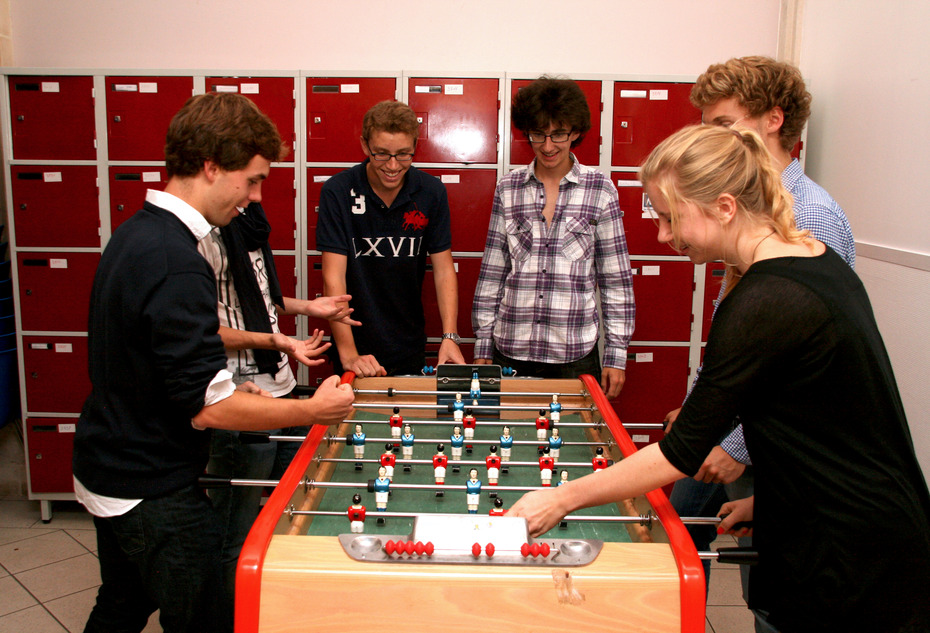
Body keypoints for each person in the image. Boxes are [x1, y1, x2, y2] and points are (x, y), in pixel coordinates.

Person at [508, 124, 930, 633]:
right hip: (861, 525)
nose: (664, 236)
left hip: (852, 554)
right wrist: (770, 500)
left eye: (669, 218)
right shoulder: (810, 260)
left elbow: (681, 450)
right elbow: (828, 421)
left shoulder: (764, 300)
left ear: (725, 207)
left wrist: (561, 497)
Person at [72, 92, 355, 633]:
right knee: (206, 613)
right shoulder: (176, 261)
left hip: (108, 463)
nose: (252, 197)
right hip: (147, 483)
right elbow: (212, 407)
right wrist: (313, 410)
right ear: (209, 166)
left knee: (123, 603)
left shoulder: (139, 233)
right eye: (250, 180)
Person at [667, 56, 858, 604]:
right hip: (731, 424)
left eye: (724, 125)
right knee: (684, 545)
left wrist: (737, 444)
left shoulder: (810, 215)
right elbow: (744, 334)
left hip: (765, 443)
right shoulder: (748, 203)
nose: (711, 140)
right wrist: (704, 403)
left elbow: (809, 371)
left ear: (774, 120)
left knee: (773, 592)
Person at [198, 200, 361, 603]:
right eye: (251, 180)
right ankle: (225, 616)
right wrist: (274, 340)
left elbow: (257, 297)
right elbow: (202, 329)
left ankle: (277, 607)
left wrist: (308, 308)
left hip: (281, 384)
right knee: (232, 533)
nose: (257, 193)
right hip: (241, 395)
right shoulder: (201, 236)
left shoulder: (249, 221)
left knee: (287, 513)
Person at [472, 76, 635, 398]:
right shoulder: (508, 188)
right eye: (538, 135)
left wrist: (616, 353)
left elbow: (616, 280)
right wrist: (482, 343)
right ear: (526, 132)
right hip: (510, 349)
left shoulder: (600, 189)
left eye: (558, 134)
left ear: (575, 131)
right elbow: (493, 272)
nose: (548, 146)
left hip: (574, 354)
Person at [316, 100, 465, 376]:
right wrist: (350, 355)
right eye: (381, 154)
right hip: (355, 344)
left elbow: (444, 269)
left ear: (415, 147)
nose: (393, 166)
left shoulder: (430, 192)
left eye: (404, 154)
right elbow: (333, 278)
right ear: (364, 146)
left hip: (409, 343)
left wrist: (449, 336)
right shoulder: (338, 191)